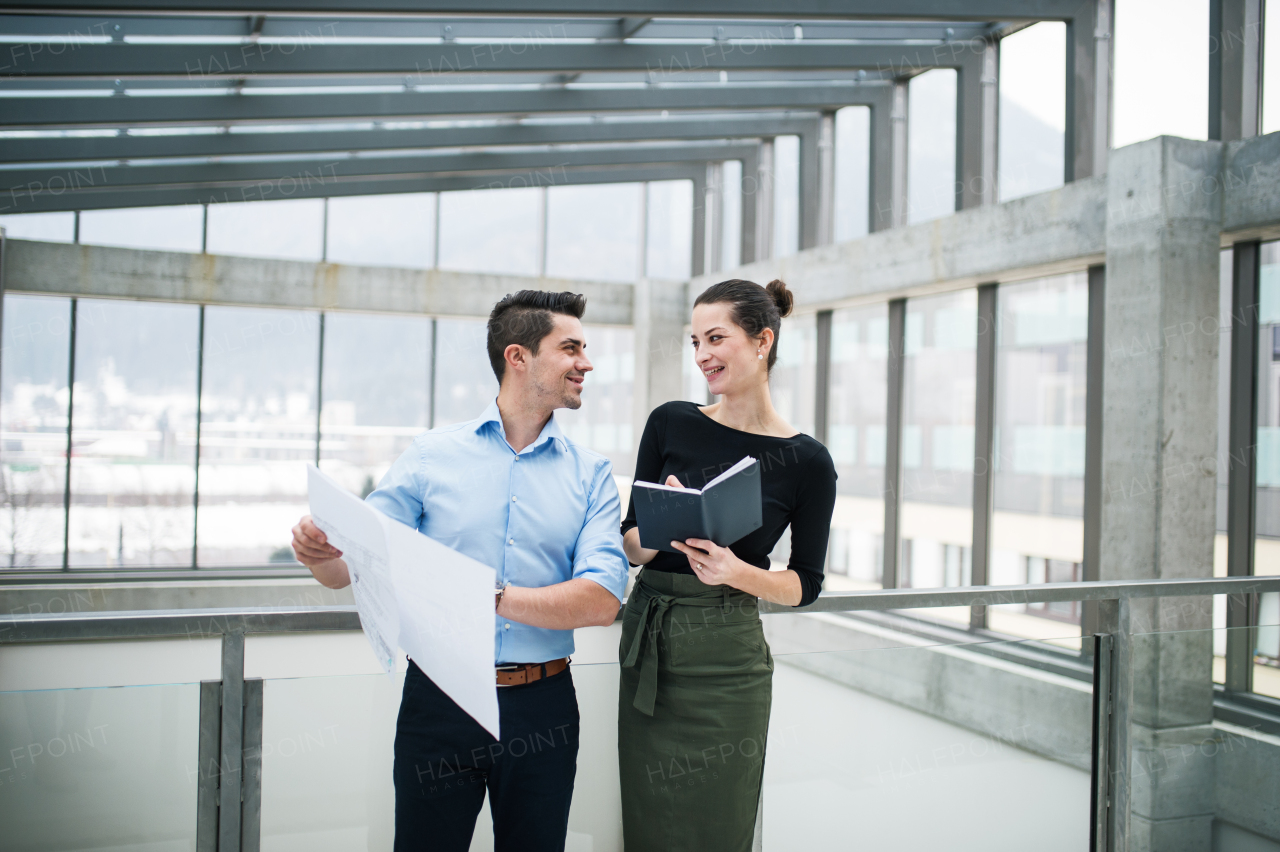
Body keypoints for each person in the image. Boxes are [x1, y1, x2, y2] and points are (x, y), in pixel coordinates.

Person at [290, 290, 629, 852]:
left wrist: (484, 593)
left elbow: (601, 600)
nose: (585, 363)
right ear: (518, 357)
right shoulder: (430, 456)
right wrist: (321, 555)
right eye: (570, 348)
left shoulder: (592, 476)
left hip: (542, 709)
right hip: (438, 700)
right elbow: (353, 566)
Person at [617, 278, 838, 851]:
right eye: (695, 341)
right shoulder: (670, 420)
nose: (701, 355)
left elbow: (805, 584)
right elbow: (631, 541)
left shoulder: (808, 461)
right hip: (653, 648)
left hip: (727, 665)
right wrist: (661, 524)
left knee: (722, 827)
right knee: (648, 824)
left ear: (762, 341)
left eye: (715, 338)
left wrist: (734, 571)